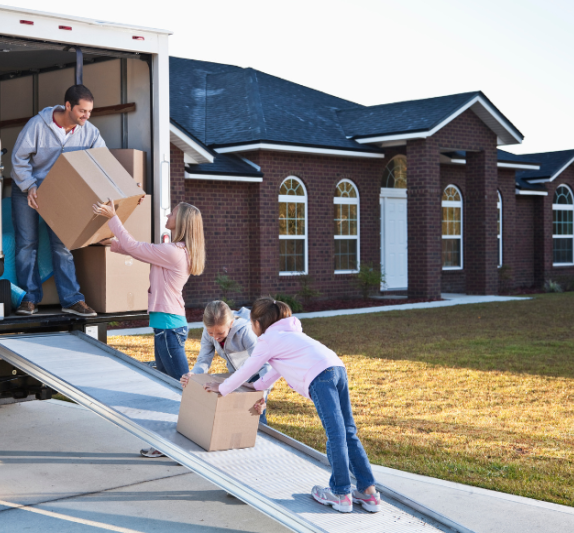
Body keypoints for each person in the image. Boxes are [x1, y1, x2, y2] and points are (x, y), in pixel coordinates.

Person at [202, 297, 382, 514]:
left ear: (258, 323)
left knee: (336, 435)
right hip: (337, 368)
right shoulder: (291, 335)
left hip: (320, 377)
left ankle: (341, 493)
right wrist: (256, 387)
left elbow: (246, 369)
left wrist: (221, 388)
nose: (251, 326)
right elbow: (275, 372)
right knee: (348, 431)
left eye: (252, 322)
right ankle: (368, 492)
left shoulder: (268, 340)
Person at [93, 199, 205, 459]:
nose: (168, 214)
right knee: (168, 388)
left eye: (173, 212)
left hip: (169, 327)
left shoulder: (174, 251)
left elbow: (135, 246)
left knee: (182, 390)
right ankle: (168, 444)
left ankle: (191, 447)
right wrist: (108, 244)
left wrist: (113, 217)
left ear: (183, 222)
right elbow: (135, 250)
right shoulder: (175, 250)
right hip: (166, 326)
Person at [10, 84, 104, 317]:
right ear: (68, 106)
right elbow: (18, 158)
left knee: (63, 246)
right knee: (27, 244)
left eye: (90, 112)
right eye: (82, 111)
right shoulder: (37, 125)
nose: (87, 116)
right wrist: (30, 186)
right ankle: (29, 299)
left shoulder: (89, 132)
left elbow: (102, 163)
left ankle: (71, 300)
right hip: (27, 188)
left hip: (61, 193)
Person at [179, 302, 272, 425]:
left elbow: (265, 365)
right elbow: (203, 360)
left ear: (231, 324)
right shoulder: (208, 333)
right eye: (211, 333)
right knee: (237, 415)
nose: (215, 337)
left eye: (220, 333)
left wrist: (263, 393)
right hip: (235, 375)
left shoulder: (245, 332)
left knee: (255, 416)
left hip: (257, 376)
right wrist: (193, 374)